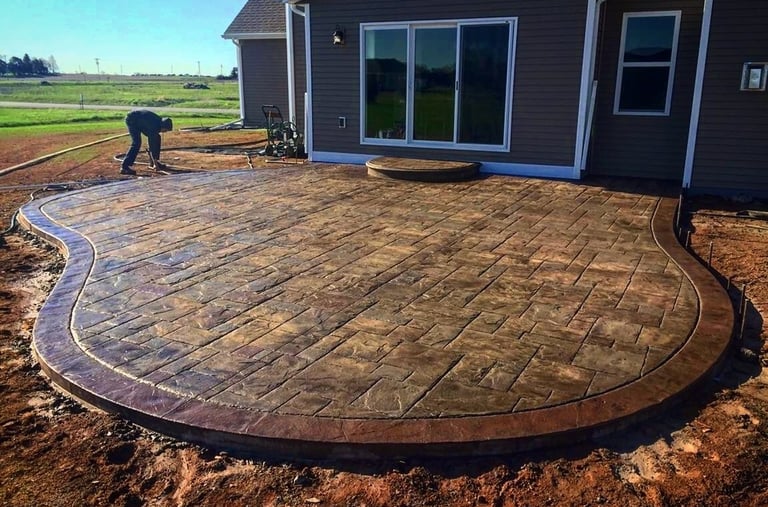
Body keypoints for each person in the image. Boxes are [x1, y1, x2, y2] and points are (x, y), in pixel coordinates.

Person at [120, 109, 173, 175]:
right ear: (162, 126)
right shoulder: (153, 127)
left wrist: (155, 163)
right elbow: (152, 146)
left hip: (140, 121)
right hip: (132, 120)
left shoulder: (159, 122)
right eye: (165, 130)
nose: (165, 132)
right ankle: (124, 167)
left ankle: (154, 162)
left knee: (157, 137)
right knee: (136, 143)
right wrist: (156, 166)